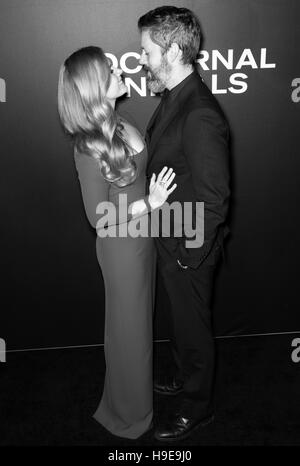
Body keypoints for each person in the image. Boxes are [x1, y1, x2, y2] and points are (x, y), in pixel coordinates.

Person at [57, 46, 177, 439]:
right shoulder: (87, 146)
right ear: (95, 85)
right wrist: (151, 202)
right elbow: (97, 217)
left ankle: (127, 405)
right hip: (121, 248)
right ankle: (130, 418)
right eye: (109, 68)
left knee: (138, 330)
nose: (119, 67)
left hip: (142, 240)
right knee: (130, 333)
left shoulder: (119, 120)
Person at [138, 6, 231, 441]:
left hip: (189, 246)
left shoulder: (199, 113)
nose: (142, 60)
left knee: (194, 330)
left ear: (173, 50)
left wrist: (188, 257)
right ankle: (181, 375)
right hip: (171, 236)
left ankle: (198, 407)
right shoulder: (173, 97)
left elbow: (215, 199)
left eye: (147, 51)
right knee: (181, 323)